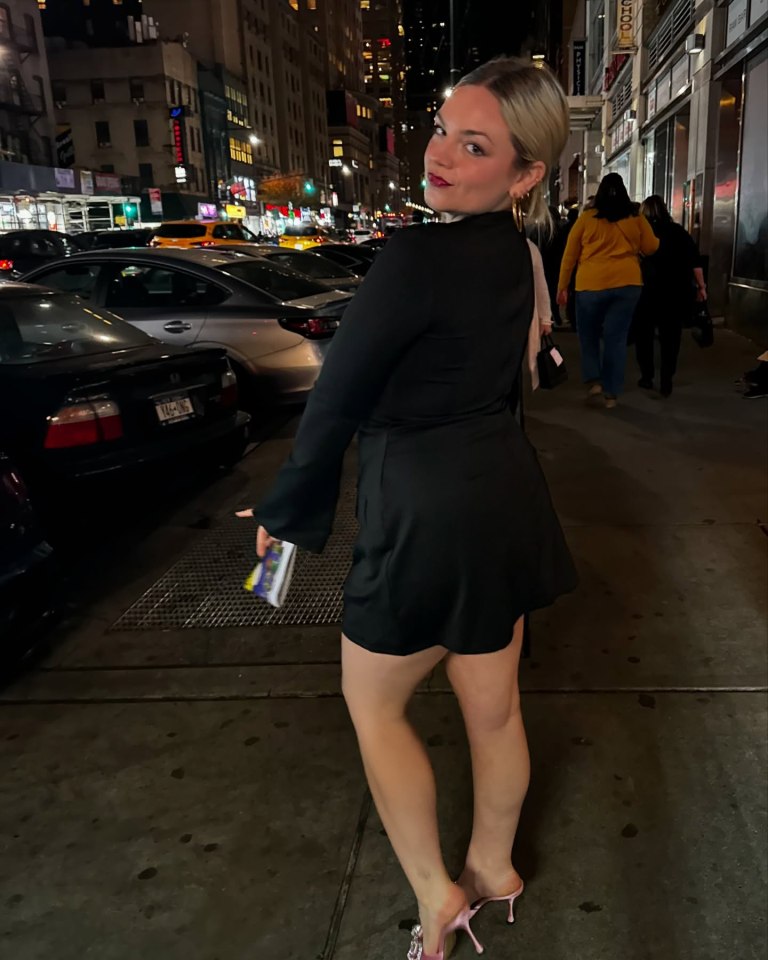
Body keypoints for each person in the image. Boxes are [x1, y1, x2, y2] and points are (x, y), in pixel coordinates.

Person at [244, 58, 577, 960]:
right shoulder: (518, 251)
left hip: (425, 511)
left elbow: (337, 399)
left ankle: (437, 896)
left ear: (526, 172)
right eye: (442, 129)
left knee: (373, 703)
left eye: (476, 146)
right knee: (494, 709)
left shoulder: (415, 256)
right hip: (501, 496)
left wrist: (286, 512)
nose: (441, 155)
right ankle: (495, 869)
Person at [556, 173, 659, 408]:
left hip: (590, 285)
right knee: (616, 338)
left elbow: (569, 255)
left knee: (588, 334)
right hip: (627, 283)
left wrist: (562, 286)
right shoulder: (635, 216)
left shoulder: (587, 218)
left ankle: (594, 380)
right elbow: (651, 247)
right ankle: (611, 393)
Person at [633, 194, 706, 396]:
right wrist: (702, 287)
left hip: (646, 291)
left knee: (644, 336)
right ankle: (667, 379)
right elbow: (695, 262)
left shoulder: (641, 233)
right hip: (675, 292)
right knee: (671, 337)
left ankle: (647, 376)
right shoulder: (679, 232)